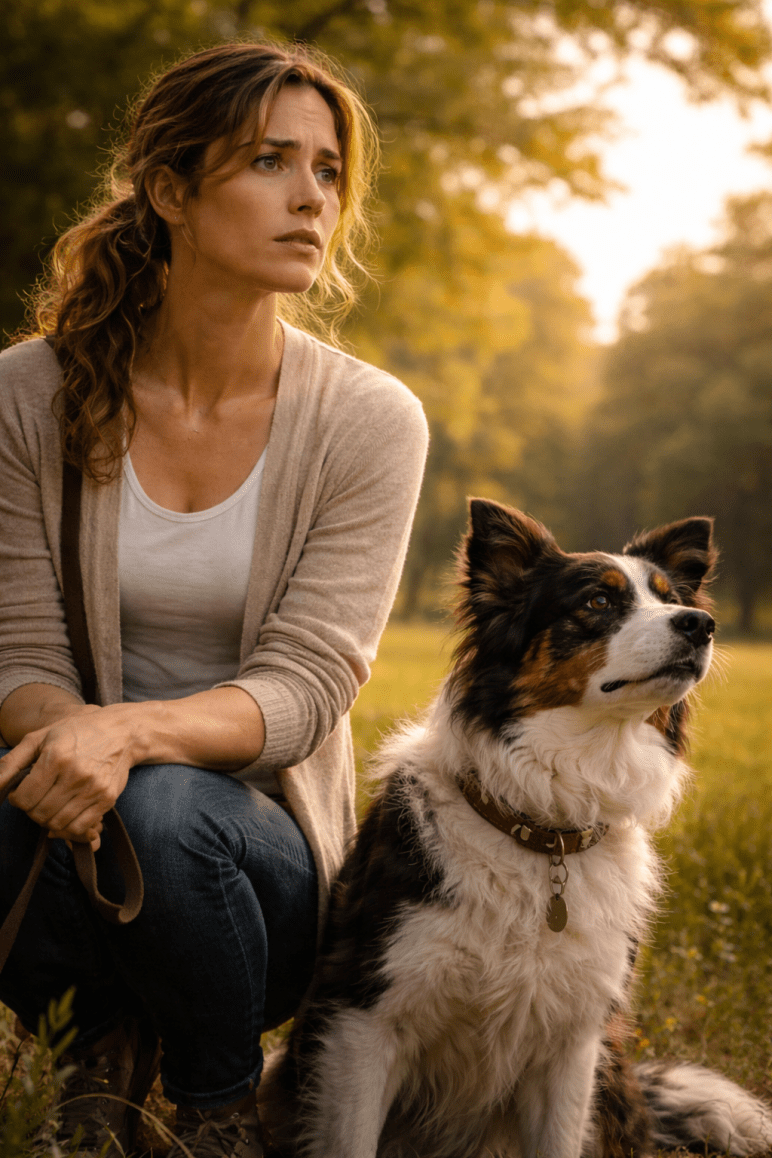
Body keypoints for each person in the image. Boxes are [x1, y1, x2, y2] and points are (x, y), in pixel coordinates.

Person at [0, 41, 428, 1158]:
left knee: (165, 806)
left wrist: (127, 738)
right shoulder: (26, 395)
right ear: (170, 191)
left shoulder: (370, 420)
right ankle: (96, 1062)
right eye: (270, 162)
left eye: (327, 170)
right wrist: (78, 747)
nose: (311, 198)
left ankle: (217, 1111)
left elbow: (309, 684)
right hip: (61, 835)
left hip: (257, 872)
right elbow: (18, 649)